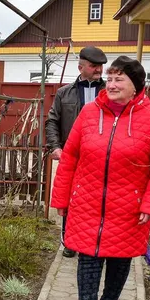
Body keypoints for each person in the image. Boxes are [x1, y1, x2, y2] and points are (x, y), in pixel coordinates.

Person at [50, 56, 150, 300]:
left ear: (136, 85)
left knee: (120, 261)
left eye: (120, 79)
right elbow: (70, 157)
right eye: (110, 78)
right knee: (88, 259)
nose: (112, 84)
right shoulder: (90, 113)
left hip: (128, 206)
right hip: (87, 202)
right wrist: (61, 198)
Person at [46, 46, 108, 258]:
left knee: (96, 199)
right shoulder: (64, 93)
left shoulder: (109, 92)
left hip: (102, 156)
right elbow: (52, 121)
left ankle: (93, 243)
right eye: (93, 66)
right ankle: (70, 242)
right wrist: (56, 147)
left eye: (100, 66)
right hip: (73, 155)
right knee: (69, 199)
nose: (98, 70)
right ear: (81, 67)